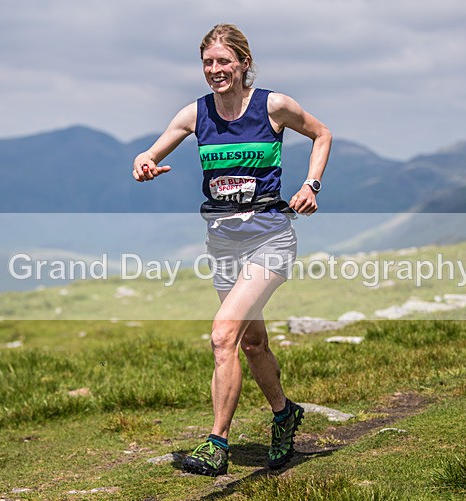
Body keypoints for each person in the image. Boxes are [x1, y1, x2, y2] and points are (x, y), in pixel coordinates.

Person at [132, 23, 331, 476]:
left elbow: (322, 135)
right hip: (223, 246)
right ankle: (285, 415)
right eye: (208, 63)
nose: (215, 70)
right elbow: (150, 154)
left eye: (224, 61)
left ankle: (216, 444)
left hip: (270, 239)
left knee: (224, 335)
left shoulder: (273, 106)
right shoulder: (195, 113)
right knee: (253, 343)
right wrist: (143, 163)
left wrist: (311, 185)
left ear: (243, 63)